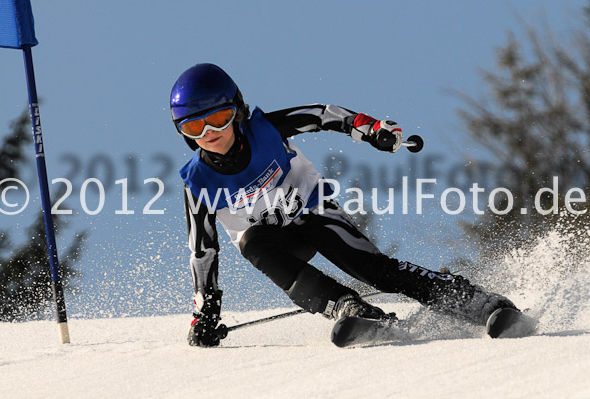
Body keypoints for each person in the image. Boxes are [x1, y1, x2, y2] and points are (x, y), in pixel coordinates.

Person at [170, 63, 517, 347]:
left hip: (312, 212)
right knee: (254, 245)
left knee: (370, 268)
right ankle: (347, 307)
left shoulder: (266, 130)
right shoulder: (197, 182)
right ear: (184, 133)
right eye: (195, 126)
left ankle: (471, 299)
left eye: (219, 119)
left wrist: (369, 128)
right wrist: (206, 310)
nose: (209, 133)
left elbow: (321, 114)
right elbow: (203, 251)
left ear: (239, 111)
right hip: (273, 243)